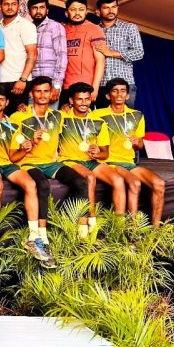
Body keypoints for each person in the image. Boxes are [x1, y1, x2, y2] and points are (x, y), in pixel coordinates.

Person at [10, 76, 90, 265]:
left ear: (52, 93)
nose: (43, 95)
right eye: (38, 91)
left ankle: (80, 234)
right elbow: (13, 146)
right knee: (43, 185)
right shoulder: (19, 116)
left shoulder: (59, 115)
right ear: (31, 94)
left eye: (46, 91)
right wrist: (30, 140)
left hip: (51, 162)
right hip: (28, 162)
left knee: (81, 182)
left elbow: (83, 116)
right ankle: (41, 237)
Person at [0, 85, 47, 264]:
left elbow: (13, 157)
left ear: (7, 102)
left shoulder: (13, 125)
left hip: (6, 164)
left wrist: (26, 148)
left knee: (31, 184)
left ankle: (33, 237)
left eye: (1, 99)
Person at [92, 78, 165, 226]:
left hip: (129, 163)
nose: (119, 94)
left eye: (123, 91)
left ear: (128, 95)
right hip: (108, 162)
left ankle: (156, 231)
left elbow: (140, 146)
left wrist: (138, 143)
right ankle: (132, 228)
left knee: (159, 183)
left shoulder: (137, 115)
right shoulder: (96, 115)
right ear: (108, 96)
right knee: (135, 183)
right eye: (115, 91)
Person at [58, 82, 127, 234]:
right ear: (71, 100)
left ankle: (119, 228)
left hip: (92, 161)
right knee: (90, 177)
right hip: (69, 161)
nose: (84, 103)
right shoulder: (62, 117)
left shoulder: (98, 121)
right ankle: (91, 223)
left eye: (87, 99)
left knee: (118, 180)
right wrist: (23, 107)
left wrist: (97, 153)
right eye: (79, 99)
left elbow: (105, 154)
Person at [95, 0, 144, 109]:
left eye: (114, 7)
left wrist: (111, 53)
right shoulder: (94, 30)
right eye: (106, 8)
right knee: (102, 118)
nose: (111, 10)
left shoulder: (129, 28)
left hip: (125, 84)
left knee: (126, 118)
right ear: (98, 11)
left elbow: (139, 52)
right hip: (102, 84)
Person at [62, 0, 105, 106]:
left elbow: (100, 60)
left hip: (86, 87)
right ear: (66, 13)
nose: (77, 13)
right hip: (65, 86)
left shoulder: (94, 29)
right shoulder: (62, 30)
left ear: (86, 12)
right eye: (73, 10)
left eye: (81, 9)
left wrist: (95, 87)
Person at [0, 0, 37, 114]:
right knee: (3, 119)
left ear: (18, 6)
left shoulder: (26, 25)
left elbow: (32, 54)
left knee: (19, 119)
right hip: (1, 81)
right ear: (0, 7)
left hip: (19, 81)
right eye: (6, 4)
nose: (10, 7)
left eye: (13, 4)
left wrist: (23, 80)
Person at [28, 0, 66, 109]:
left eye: (42, 7)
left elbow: (62, 56)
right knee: (32, 117)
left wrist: (57, 85)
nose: (38, 11)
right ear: (29, 12)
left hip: (50, 83)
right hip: (31, 82)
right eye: (34, 8)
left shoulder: (55, 27)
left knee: (50, 117)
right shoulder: (27, 28)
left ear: (47, 10)